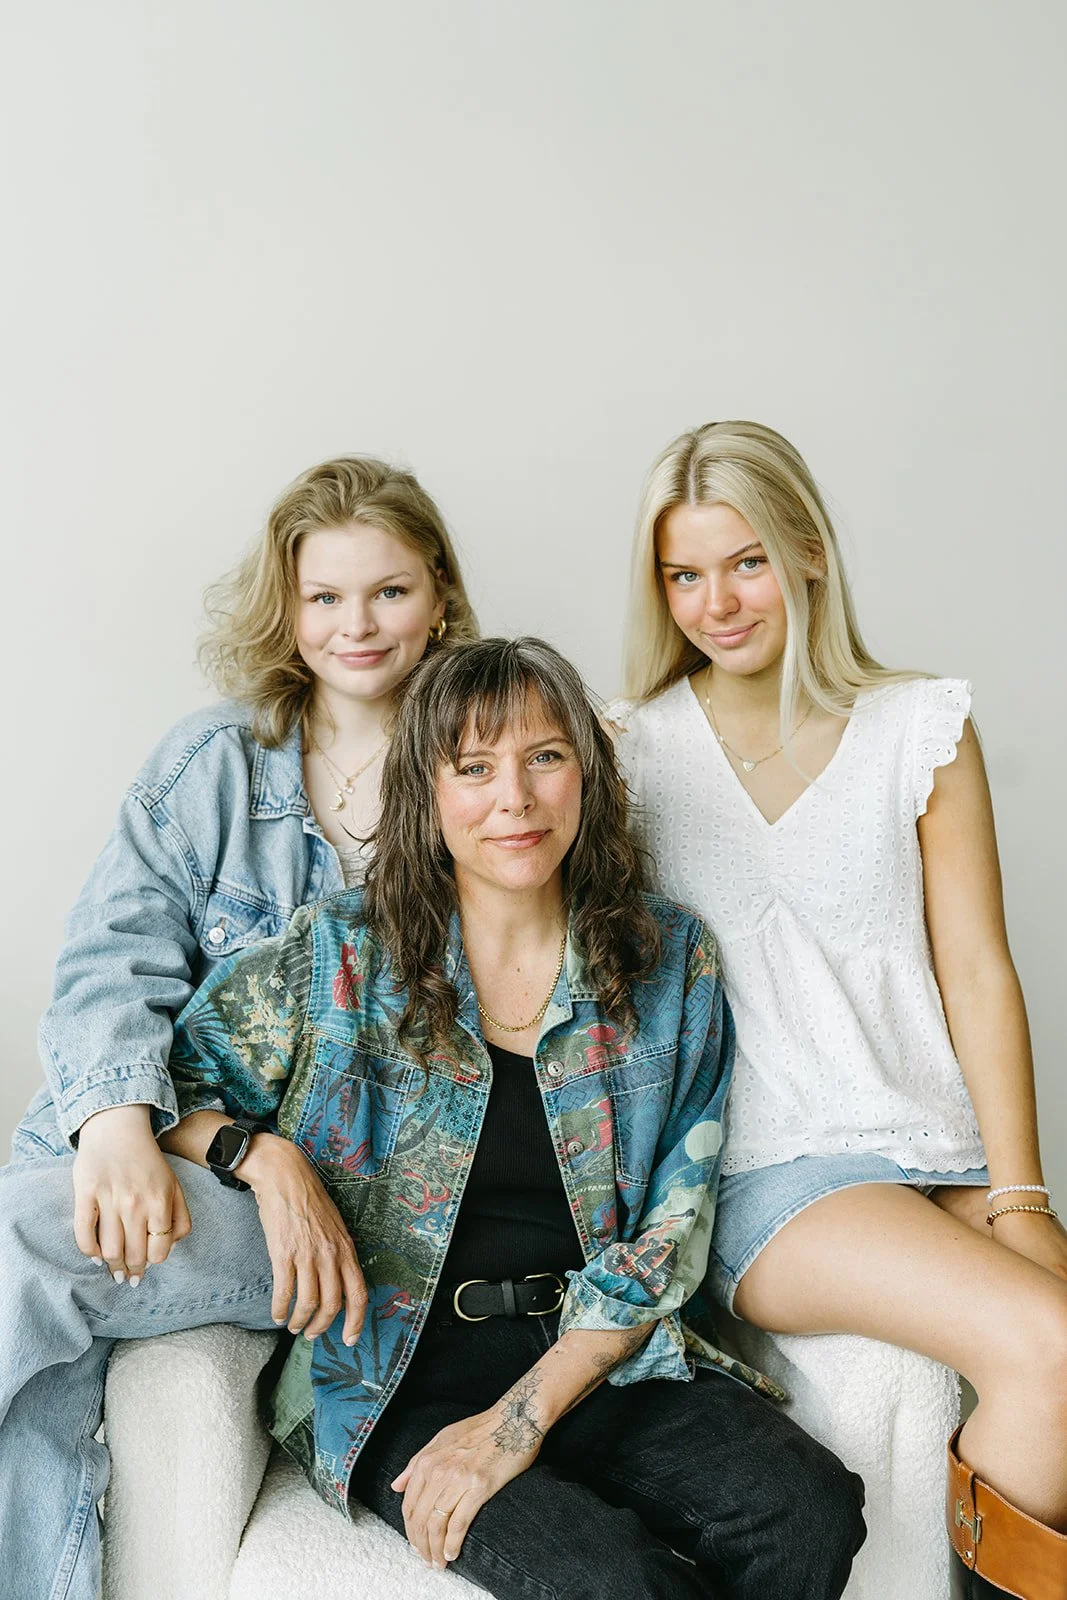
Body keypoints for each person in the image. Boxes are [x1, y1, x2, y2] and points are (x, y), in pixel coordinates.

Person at [141, 637, 857, 1598]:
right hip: (398, 1369)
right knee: (611, 1582)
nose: (513, 799)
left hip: (594, 1357)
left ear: (587, 777)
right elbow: (161, 1082)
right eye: (473, 768)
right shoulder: (339, 960)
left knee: (807, 1510)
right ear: (426, 795)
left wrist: (515, 1424)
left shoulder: (667, 963)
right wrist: (264, 1159)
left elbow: (669, 1236)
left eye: (544, 757)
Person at [1, 454, 477, 1599]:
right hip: (181, 1150)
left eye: (389, 591)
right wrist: (123, 1121)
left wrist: (271, 1157)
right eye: (324, 597)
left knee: (21, 1244)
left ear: (442, 598)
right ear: (287, 608)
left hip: (356, 1202)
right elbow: (106, 964)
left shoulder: (484, 773)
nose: (355, 625)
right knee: (35, 1299)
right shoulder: (215, 764)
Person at [611, 419, 1067, 1599]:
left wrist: (1017, 1195)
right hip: (772, 1173)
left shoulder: (918, 725)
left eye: (746, 559)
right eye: (683, 573)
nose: (715, 601)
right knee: (1049, 1350)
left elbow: (977, 970)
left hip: (934, 1155)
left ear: (808, 551)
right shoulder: (628, 757)